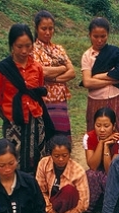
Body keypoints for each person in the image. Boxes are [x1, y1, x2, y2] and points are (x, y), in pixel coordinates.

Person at [0, 23, 54, 173]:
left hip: (36, 120)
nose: (24, 50)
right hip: (13, 123)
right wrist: (10, 117)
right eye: (19, 46)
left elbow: (37, 94)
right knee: (11, 158)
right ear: (11, 45)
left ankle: (35, 188)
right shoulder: (2, 69)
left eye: (28, 46)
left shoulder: (37, 68)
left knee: (37, 157)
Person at [81, 16, 119, 137]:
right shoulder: (87, 56)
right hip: (95, 101)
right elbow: (87, 82)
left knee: (116, 134)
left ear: (108, 34)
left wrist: (97, 76)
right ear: (89, 35)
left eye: (103, 36)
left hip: (114, 99)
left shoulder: (115, 52)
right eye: (95, 36)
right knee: (96, 135)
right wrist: (112, 81)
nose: (99, 40)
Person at [35, 135, 89, 213]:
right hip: (49, 205)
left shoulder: (78, 171)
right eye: (56, 156)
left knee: (69, 190)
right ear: (50, 154)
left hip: (69, 208)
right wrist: (50, 212)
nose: (61, 159)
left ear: (69, 154)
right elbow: (40, 191)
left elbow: (83, 204)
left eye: (65, 155)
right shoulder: (43, 163)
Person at [33, 10, 76, 140]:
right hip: (44, 101)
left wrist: (54, 78)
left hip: (60, 100)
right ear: (36, 28)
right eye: (44, 28)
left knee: (62, 139)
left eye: (51, 28)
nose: (48, 32)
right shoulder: (32, 49)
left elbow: (72, 72)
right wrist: (62, 67)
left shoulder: (59, 49)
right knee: (47, 137)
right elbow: (41, 72)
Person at [83, 107, 119, 212]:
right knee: (89, 174)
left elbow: (110, 172)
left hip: (117, 176)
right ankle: (91, 205)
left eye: (106, 126)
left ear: (114, 126)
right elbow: (93, 166)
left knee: (108, 179)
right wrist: (101, 143)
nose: (102, 130)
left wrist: (106, 146)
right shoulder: (88, 137)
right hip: (98, 171)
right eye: (98, 126)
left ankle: (110, 204)